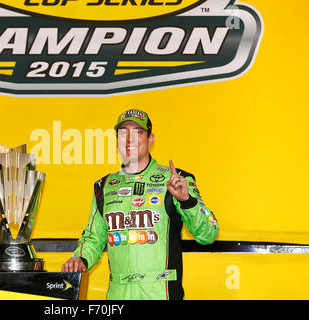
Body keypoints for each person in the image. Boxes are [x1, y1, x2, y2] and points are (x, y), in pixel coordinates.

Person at [61, 108, 219, 300]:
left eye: (138, 132)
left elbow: (209, 234)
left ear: (150, 139)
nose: (130, 139)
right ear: (117, 140)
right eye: (123, 133)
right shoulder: (104, 187)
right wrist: (80, 258)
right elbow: (94, 238)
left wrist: (187, 201)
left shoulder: (176, 179)